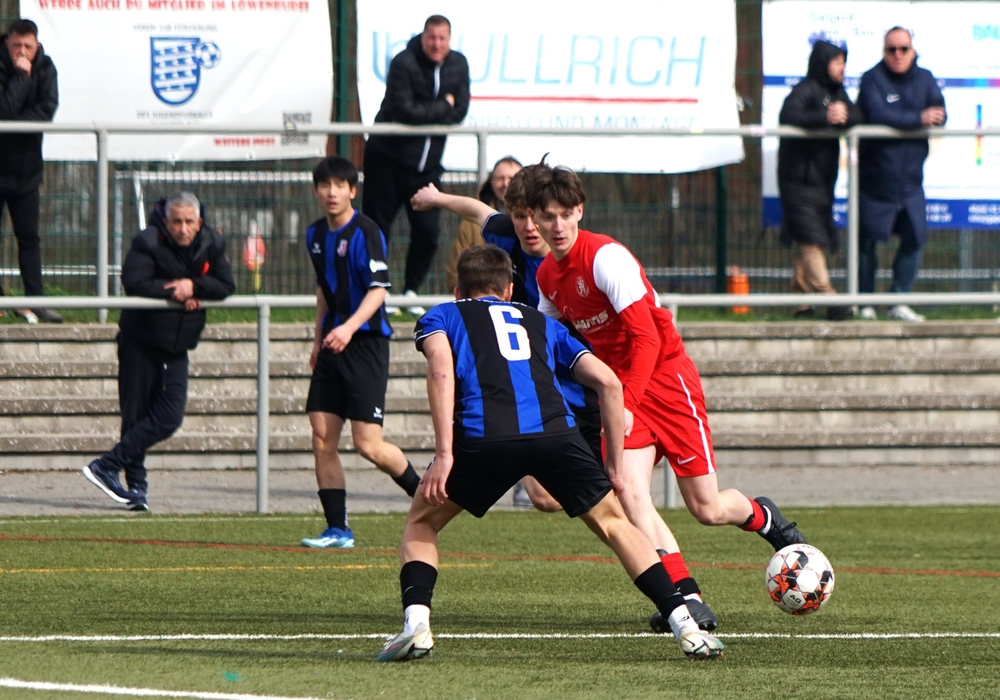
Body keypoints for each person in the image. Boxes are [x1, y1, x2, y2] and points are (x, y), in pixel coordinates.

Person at [376, 245, 724, 663]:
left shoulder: (441, 316)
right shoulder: (538, 319)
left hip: (483, 438)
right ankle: (685, 625)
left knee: (421, 522)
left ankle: (417, 627)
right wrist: (613, 464)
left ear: (456, 291)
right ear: (508, 290)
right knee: (615, 524)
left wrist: (445, 455)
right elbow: (610, 384)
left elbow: (440, 369)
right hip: (556, 436)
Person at [526, 161, 809, 633]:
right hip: (623, 390)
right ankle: (687, 597)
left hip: (666, 379)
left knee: (706, 508)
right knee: (628, 489)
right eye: (545, 216)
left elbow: (649, 339)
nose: (555, 226)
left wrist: (628, 403)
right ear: (533, 218)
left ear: (580, 211)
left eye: (563, 214)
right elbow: (552, 345)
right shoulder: (547, 279)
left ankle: (764, 516)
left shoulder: (605, 258)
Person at [82, 192, 235, 511]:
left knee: (169, 416)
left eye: (188, 222)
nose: (182, 229)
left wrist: (195, 287)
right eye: (176, 222)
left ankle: (107, 465)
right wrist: (175, 292)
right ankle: (136, 488)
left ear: (199, 223)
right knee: (135, 415)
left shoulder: (212, 243)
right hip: (140, 339)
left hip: (177, 345)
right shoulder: (147, 241)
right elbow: (135, 282)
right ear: (166, 222)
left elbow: (226, 285)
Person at [301, 156, 422, 549]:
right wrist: (319, 338)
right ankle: (338, 528)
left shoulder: (366, 232)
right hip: (334, 343)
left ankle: (427, 498)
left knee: (368, 444)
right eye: (324, 185)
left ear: (353, 190)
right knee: (322, 438)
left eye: (340, 185)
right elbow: (323, 288)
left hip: (365, 343)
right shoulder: (315, 235)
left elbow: (379, 289)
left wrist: (349, 328)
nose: (331, 192)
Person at [362, 14, 470, 315]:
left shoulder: (458, 65)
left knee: (428, 231)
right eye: (431, 38)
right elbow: (403, 111)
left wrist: (444, 108)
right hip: (387, 160)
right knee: (377, 227)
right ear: (423, 37)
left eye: (442, 38)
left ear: (450, 40)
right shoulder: (404, 62)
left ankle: (410, 291)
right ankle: (377, 289)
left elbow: (460, 110)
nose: (436, 44)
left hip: (427, 168)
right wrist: (442, 106)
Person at [856, 26, 946, 322]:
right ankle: (864, 302)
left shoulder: (925, 79)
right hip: (875, 181)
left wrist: (934, 117)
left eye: (903, 49)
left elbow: (940, 111)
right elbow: (877, 114)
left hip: (910, 183)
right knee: (867, 242)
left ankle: (898, 300)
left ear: (913, 51)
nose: (897, 55)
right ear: (883, 51)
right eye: (891, 49)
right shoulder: (872, 79)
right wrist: (917, 119)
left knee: (915, 238)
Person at [778, 40, 861, 322]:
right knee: (811, 239)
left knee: (809, 237)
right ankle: (830, 298)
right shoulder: (805, 89)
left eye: (844, 62)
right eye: (837, 62)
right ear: (823, 63)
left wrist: (845, 116)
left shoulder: (838, 92)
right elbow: (788, 115)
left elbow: (859, 115)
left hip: (822, 182)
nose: (843, 68)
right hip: (797, 180)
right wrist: (823, 117)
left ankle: (801, 300)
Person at [0, 19, 62, 323]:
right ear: (8, 42)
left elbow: (47, 110)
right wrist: (21, 79)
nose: (21, 52)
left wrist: (14, 124)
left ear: (36, 45)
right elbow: (4, 112)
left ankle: (35, 302)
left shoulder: (47, 67)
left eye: (28, 46)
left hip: (26, 171)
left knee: (29, 238)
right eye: (16, 46)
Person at [443, 156, 522, 291]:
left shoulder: (539, 223)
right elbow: (455, 270)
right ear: (491, 182)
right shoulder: (471, 223)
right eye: (500, 178)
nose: (506, 183)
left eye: (512, 179)